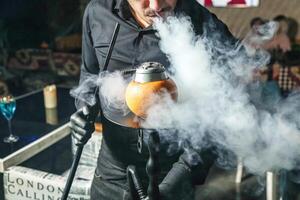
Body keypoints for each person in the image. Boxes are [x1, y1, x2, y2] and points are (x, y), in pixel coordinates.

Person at [70, 0, 239, 199]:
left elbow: (224, 113)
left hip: (172, 171)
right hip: (111, 173)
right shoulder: (98, 12)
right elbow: (90, 74)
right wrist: (84, 109)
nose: (156, 6)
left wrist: (177, 179)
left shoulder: (203, 25)